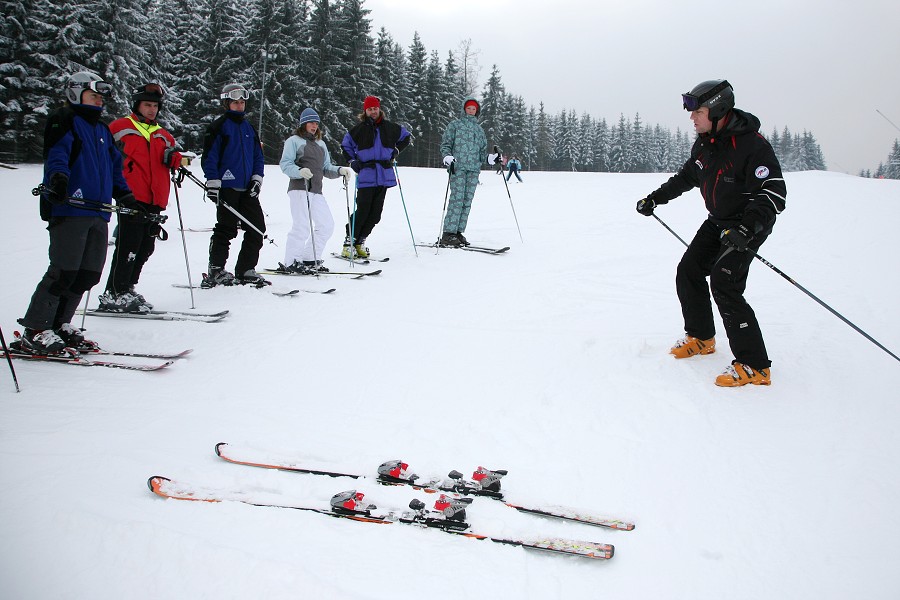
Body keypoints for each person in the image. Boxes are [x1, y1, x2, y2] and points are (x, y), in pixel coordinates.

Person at [635, 79, 786, 387]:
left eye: (698, 112)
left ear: (717, 111)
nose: (692, 118)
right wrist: (655, 198)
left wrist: (746, 228)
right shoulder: (706, 142)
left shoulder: (752, 145)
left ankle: (755, 364)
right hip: (718, 220)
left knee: (724, 280)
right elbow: (689, 175)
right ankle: (702, 337)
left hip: (747, 224)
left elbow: (774, 193)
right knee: (688, 269)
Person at [15, 71, 135, 354]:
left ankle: (59, 324)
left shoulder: (103, 130)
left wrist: (126, 194)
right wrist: (58, 178)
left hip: (98, 211)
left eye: (100, 97)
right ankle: (36, 328)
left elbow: (114, 167)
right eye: (92, 95)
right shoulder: (65, 119)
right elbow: (57, 154)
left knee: (87, 275)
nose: (98, 101)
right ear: (75, 94)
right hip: (70, 207)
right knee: (63, 272)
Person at [101, 83, 182, 312]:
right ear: (137, 105)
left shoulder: (163, 135)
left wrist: (174, 158)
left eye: (155, 106)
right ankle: (115, 292)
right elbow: (104, 156)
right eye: (147, 105)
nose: (151, 110)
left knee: (146, 247)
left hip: (156, 197)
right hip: (131, 195)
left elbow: (174, 158)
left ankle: (127, 288)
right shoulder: (119, 128)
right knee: (128, 246)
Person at [201, 82, 267, 287]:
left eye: (242, 102)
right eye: (235, 103)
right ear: (226, 104)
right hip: (227, 188)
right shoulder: (219, 127)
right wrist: (213, 183)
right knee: (226, 229)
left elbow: (258, 156)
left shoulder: (248, 128)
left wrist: (257, 179)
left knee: (257, 228)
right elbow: (210, 157)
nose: (239, 106)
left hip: (247, 189)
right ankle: (216, 269)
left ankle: (245, 269)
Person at [279, 108, 353, 273]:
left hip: (316, 191)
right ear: (303, 124)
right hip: (299, 189)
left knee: (327, 225)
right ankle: (291, 261)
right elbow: (285, 164)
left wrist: (340, 170)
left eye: (316, 123)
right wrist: (299, 172)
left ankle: (310, 258)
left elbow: (326, 168)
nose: (314, 126)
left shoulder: (321, 144)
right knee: (301, 226)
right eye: (311, 122)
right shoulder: (294, 141)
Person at [340, 95, 410, 258]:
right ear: (365, 111)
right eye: (370, 109)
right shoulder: (358, 130)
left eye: (375, 108)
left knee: (376, 213)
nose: (373, 111)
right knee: (363, 210)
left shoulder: (390, 127)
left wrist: (396, 151)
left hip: (384, 174)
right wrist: (352, 161)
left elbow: (406, 137)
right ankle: (348, 241)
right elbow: (345, 146)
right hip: (366, 173)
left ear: (379, 109)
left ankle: (360, 242)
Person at [440, 97, 490, 247]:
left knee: (467, 201)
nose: (471, 111)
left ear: (477, 111)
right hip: (458, 167)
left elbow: (482, 153)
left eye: (473, 109)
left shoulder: (479, 130)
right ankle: (449, 233)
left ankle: (458, 232)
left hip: (474, 169)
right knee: (457, 199)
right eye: (468, 108)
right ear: (464, 109)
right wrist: (447, 156)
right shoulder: (455, 125)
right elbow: (446, 144)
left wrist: (491, 158)